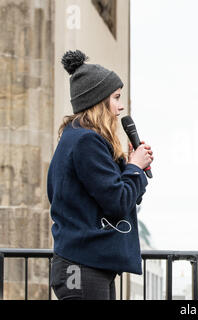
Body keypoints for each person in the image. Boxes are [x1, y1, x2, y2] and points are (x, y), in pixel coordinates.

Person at [47, 50, 153, 300]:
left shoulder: (79, 138)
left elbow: (125, 197)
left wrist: (130, 167)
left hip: (88, 264)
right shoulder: (86, 141)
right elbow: (117, 202)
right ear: (97, 100)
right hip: (82, 266)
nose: (121, 105)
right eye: (116, 97)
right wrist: (135, 168)